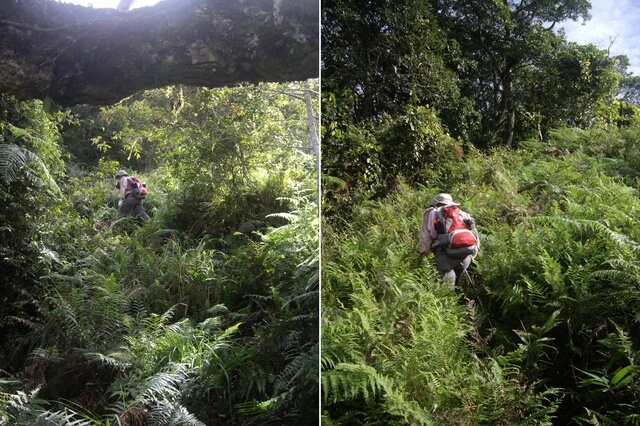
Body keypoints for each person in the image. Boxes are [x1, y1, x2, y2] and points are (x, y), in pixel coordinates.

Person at [419, 193, 479, 291]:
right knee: (456, 284)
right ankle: (460, 301)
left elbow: (425, 235)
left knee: (447, 290)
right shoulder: (462, 213)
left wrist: (423, 252)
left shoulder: (432, 213)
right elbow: (473, 232)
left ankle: (450, 303)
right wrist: (475, 251)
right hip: (465, 255)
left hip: (445, 255)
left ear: (436, 203)